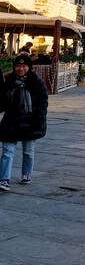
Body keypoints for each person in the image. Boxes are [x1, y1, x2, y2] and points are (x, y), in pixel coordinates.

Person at [0, 52, 49, 189]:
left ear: (29, 67)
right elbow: (2, 101)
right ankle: (4, 179)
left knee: (28, 151)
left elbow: (42, 105)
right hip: (11, 121)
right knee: (7, 152)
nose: (20, 69)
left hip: (30, 122)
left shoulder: (36, 82)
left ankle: (26, 174)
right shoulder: (8, 81)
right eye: (18, 66)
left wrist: (39, 123)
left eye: (24, 66)